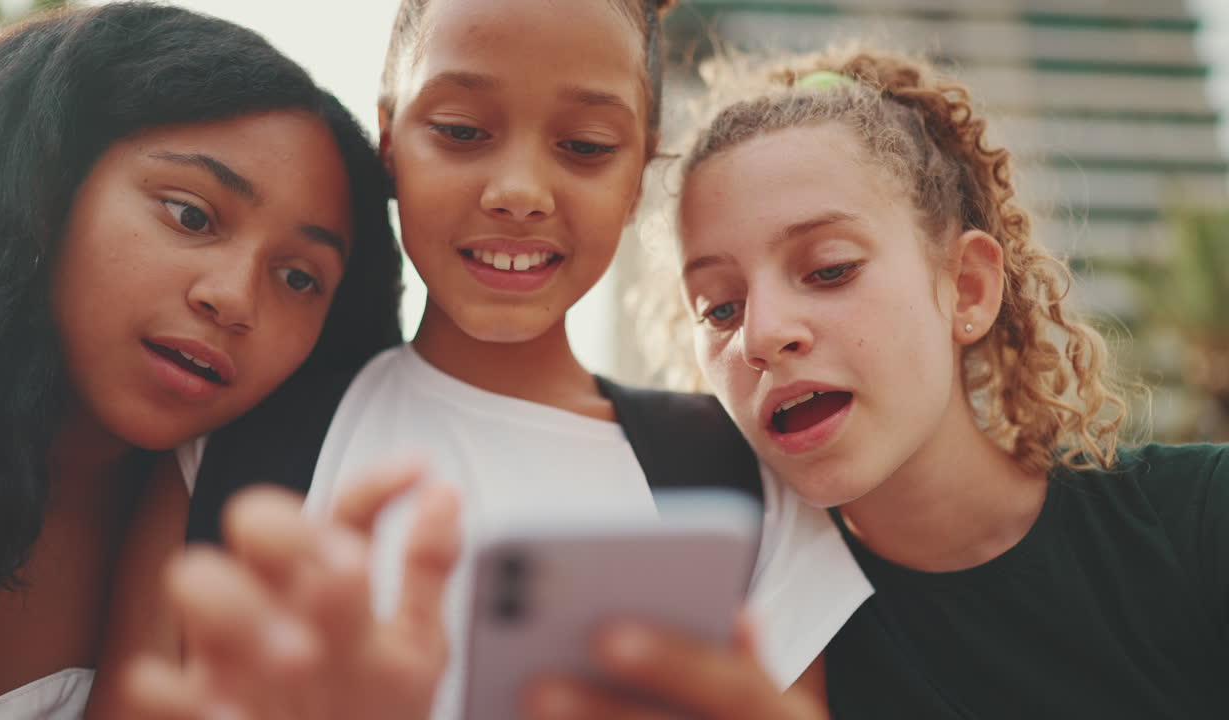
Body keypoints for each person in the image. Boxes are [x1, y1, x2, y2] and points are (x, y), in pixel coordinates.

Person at [114, 2, 872, 719]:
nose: (518, 192)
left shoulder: (743, 482)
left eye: (585, 146)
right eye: (460, 130)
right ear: (387, 138)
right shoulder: (230, 454)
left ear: (640, 172)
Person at [521, 46, 1228, 719]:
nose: (761, 334)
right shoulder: (734, 642)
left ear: (969, 289)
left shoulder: (1200, 521)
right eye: (721, 308)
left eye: (829, 269)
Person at [0, 3, 423, 718]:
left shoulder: (238, 528)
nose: (234, 299)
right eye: (191, 215)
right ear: (49, 184)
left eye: (299, 277)